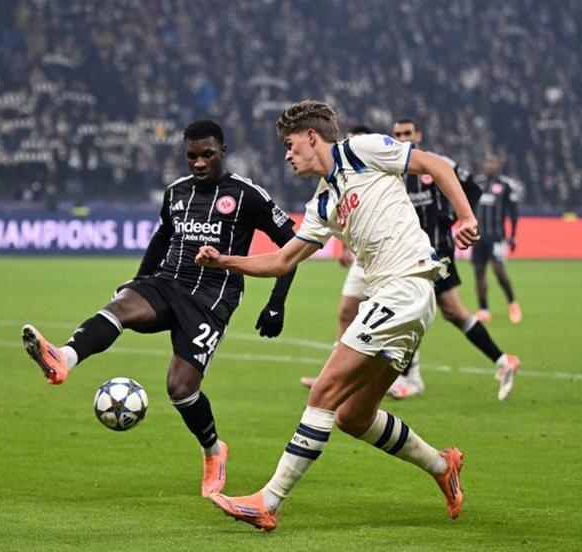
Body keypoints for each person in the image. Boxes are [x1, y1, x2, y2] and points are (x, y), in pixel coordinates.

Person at [195, 100, 479, 532]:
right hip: (398, 299)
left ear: (312, 137)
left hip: (405, 286)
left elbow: (435, 164)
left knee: (324, 391)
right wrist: (223, 262)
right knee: (353, 417)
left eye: (290, 146)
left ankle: (267, 501)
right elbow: (281, 261)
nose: (288, 156)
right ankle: (442, 465)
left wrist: (465, 216)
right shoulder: (324, 202)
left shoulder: (362, 149)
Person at [21, 119, 298, 498]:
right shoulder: (176, 193)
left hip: (211, 298)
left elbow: (291, 245)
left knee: (180, 388)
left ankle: (214, 451)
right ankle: (63, 358)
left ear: (223, 152)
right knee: (119, 307)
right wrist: (136, 281)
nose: (198, 163)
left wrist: (276, 304)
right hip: (168, 281)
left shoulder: (247, 195)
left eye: (207, 155)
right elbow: (162, 237)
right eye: (191, 156)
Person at [301, 119, 520, 401]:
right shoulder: (392, 167)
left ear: (418, 134)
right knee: (446, 311)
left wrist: (457, 215)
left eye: (407, 133)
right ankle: (499, 362)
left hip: (434, 252)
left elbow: (473, 188)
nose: (403, 138)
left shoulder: (433, 162)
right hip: (406, 252)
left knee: (432, 309)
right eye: (398, 134)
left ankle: (411, 378)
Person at [472, 153, 522, 325]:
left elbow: (513, 213)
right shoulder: (476, 183)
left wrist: (513, 236)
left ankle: (512, 303)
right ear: (483, 164)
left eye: (493, 162)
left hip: (497, 237)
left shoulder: (506, 185)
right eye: (487, 162)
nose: (490, 165)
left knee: (498, 270)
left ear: (498, 165)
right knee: (479, 272)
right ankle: (484, 309)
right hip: (478, 236)